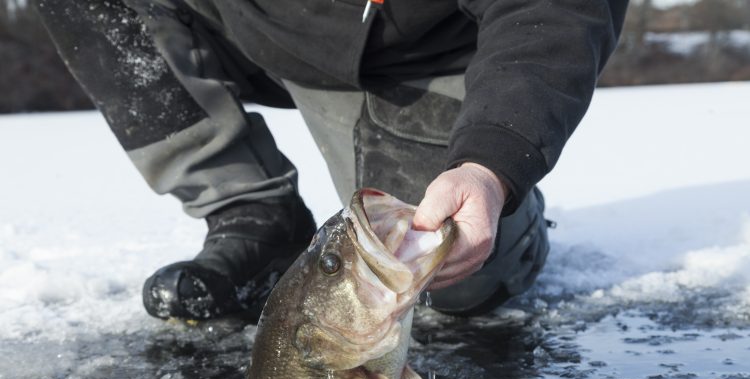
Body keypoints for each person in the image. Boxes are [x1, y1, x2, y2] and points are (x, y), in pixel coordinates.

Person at [34, 0, 627, 320]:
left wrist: (492, 164)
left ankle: (509, 218)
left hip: (433, 61)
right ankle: (251, 215)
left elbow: (554, 11)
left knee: (441, 281)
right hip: (259, 33)